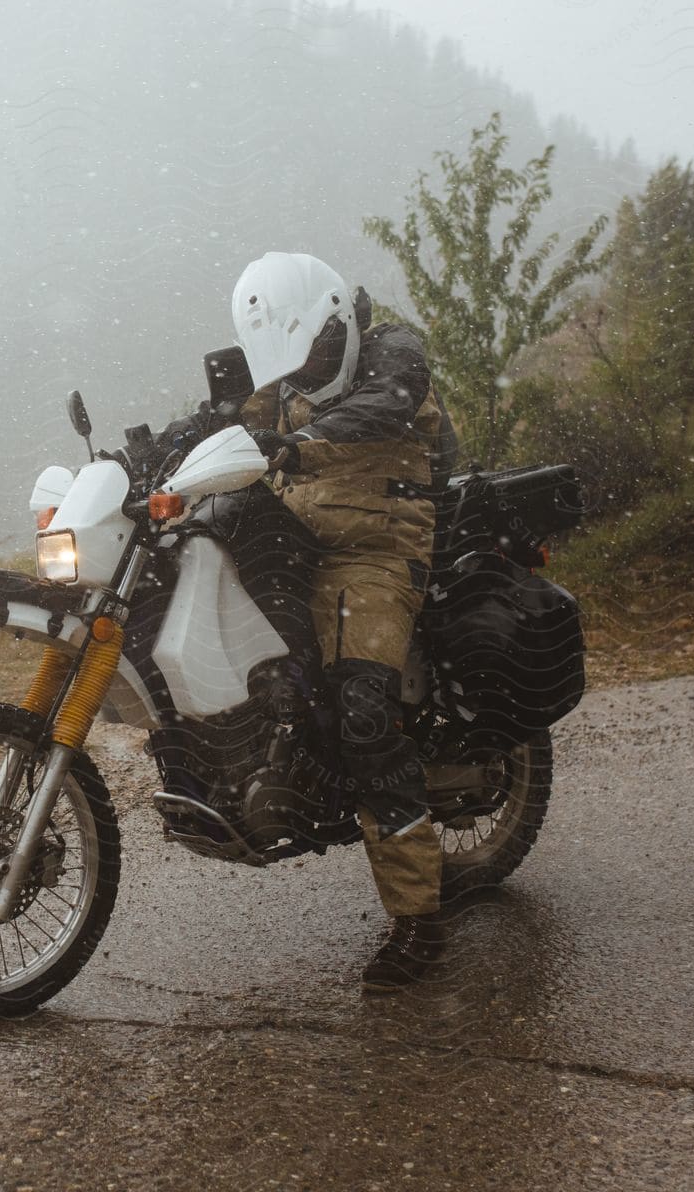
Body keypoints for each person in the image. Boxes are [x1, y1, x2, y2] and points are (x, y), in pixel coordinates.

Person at [228, 251, 461, 992]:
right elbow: (224, 422)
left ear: (339, 320)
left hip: (380, 546)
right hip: (302, 541)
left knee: (361, 715)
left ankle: (419, 918)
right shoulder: (282, 381)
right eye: (291, 363)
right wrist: (158, 452)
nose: (306, 371)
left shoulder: (392, 350)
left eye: (319, 351)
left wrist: (294, 442)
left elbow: (387, 402)